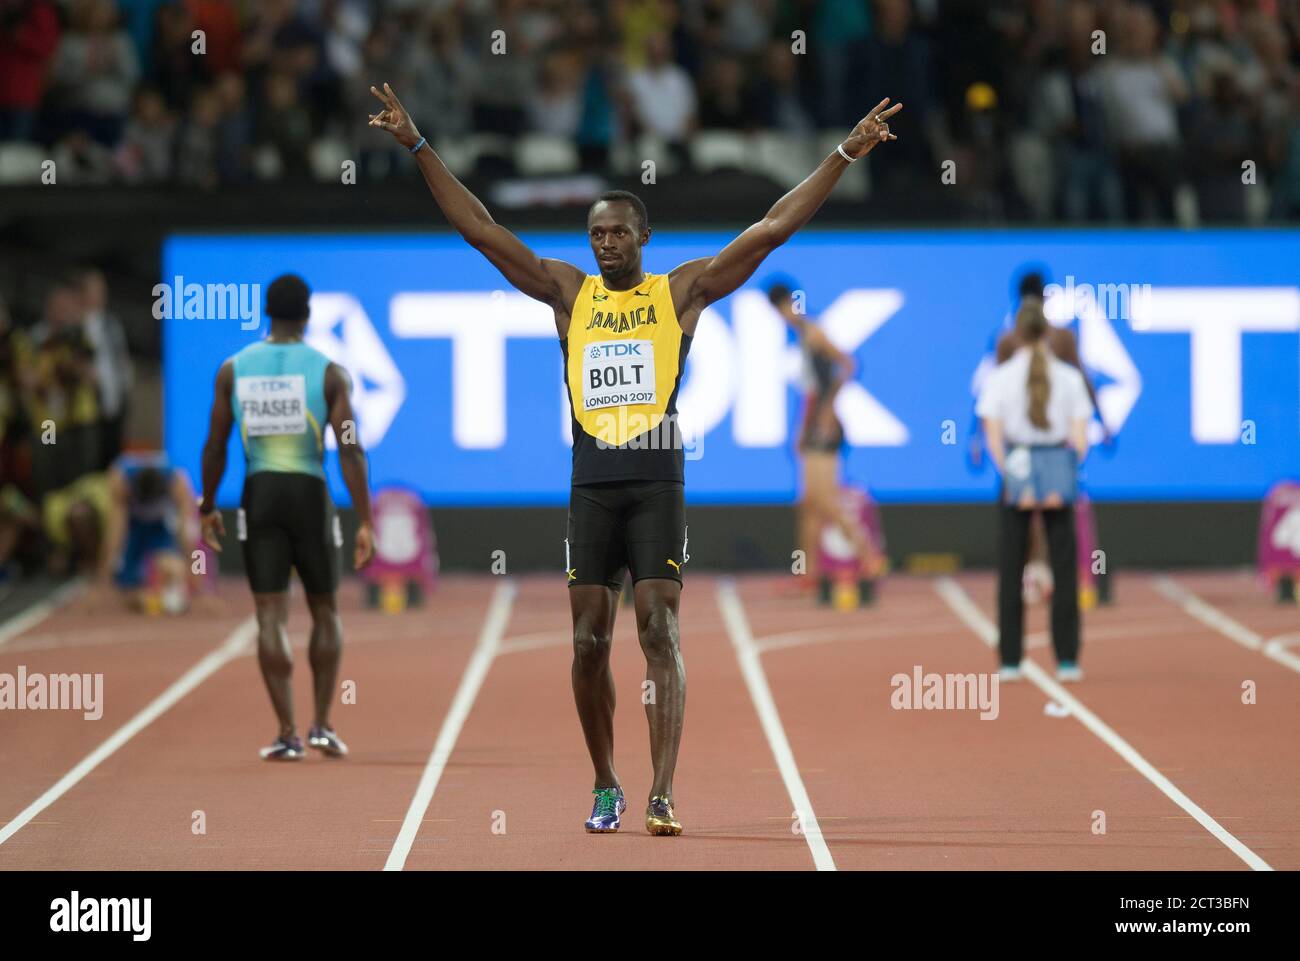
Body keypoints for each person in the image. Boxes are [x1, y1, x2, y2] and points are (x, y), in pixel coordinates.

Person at [367, 80, 901, 835]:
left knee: (659, 627)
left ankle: (662, 790)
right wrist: (419, 146)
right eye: (597, 234)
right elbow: (483, 232)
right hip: (590, 480)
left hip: (656, 478)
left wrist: (844, 152)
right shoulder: (567, 293)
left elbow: (772, 228)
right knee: (587, 638)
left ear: (642, 237)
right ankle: (605, 781)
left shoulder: (679, 293)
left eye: (618, 232)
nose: (606, 243)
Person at [198, 274, 375, 761]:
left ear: (266, 313)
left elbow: (215, 446)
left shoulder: (233, 369)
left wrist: (208, 505)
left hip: (260, 494)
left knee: (269, 615)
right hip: (309, 493)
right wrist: (365, 520)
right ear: (308, 314)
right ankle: (322, 725)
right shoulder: (329, 372)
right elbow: (350, 448)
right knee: (326, 610)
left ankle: (286, 732)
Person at [977, 301, 1092, 683]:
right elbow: (1080, 438)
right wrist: (1064, 474)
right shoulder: (1071, 378)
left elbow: (992, 437)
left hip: (1018, 465)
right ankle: (1067, 659)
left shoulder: (999, 377)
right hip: (1058, 462)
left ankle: (1010, 660)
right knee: (1064, 567)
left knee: (1011, 567)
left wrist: (1012, 475)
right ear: (1046, 333)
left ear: (1017, 335)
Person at [767, 282, 881, 588]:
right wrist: (801, 429)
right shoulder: (802, 337)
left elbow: (848, 364)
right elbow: (810, 392)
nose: (782, 316)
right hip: (813, 422)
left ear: (790, 303)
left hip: (826, 426)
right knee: (808, 503)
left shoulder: (814, 332)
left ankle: (869, 554)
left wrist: (829, 409)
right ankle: (809, 573)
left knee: (825, 499)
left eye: (782, 309)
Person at [99, 451, 196, 614]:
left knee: (173, 567)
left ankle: (172, 591)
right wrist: (104, 574)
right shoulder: (121, 480)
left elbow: (188, 531)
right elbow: (115, 530)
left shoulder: (178, 481)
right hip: (133, 526)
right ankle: (149, 597)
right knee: (126, 589)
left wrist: (196, 572)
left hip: (160, 526)